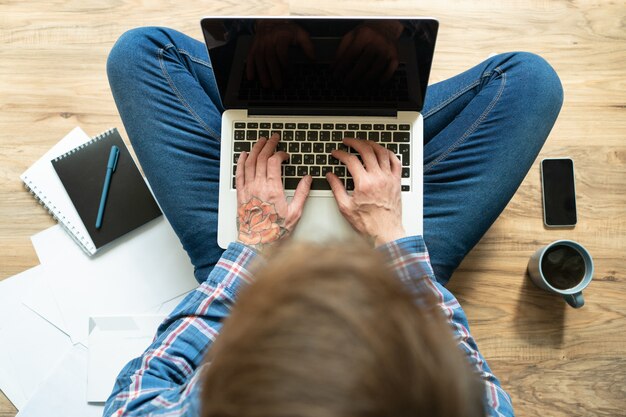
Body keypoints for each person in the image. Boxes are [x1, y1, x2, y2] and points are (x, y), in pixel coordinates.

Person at [103, 23, 563, 417]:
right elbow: (472, 381)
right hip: (390, 283)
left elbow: (133, 399)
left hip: (250, 279)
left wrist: (252, 247)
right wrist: (392, 237)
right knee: (531, 83)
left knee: (141, 54)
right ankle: (358, 97)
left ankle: (303, 91)